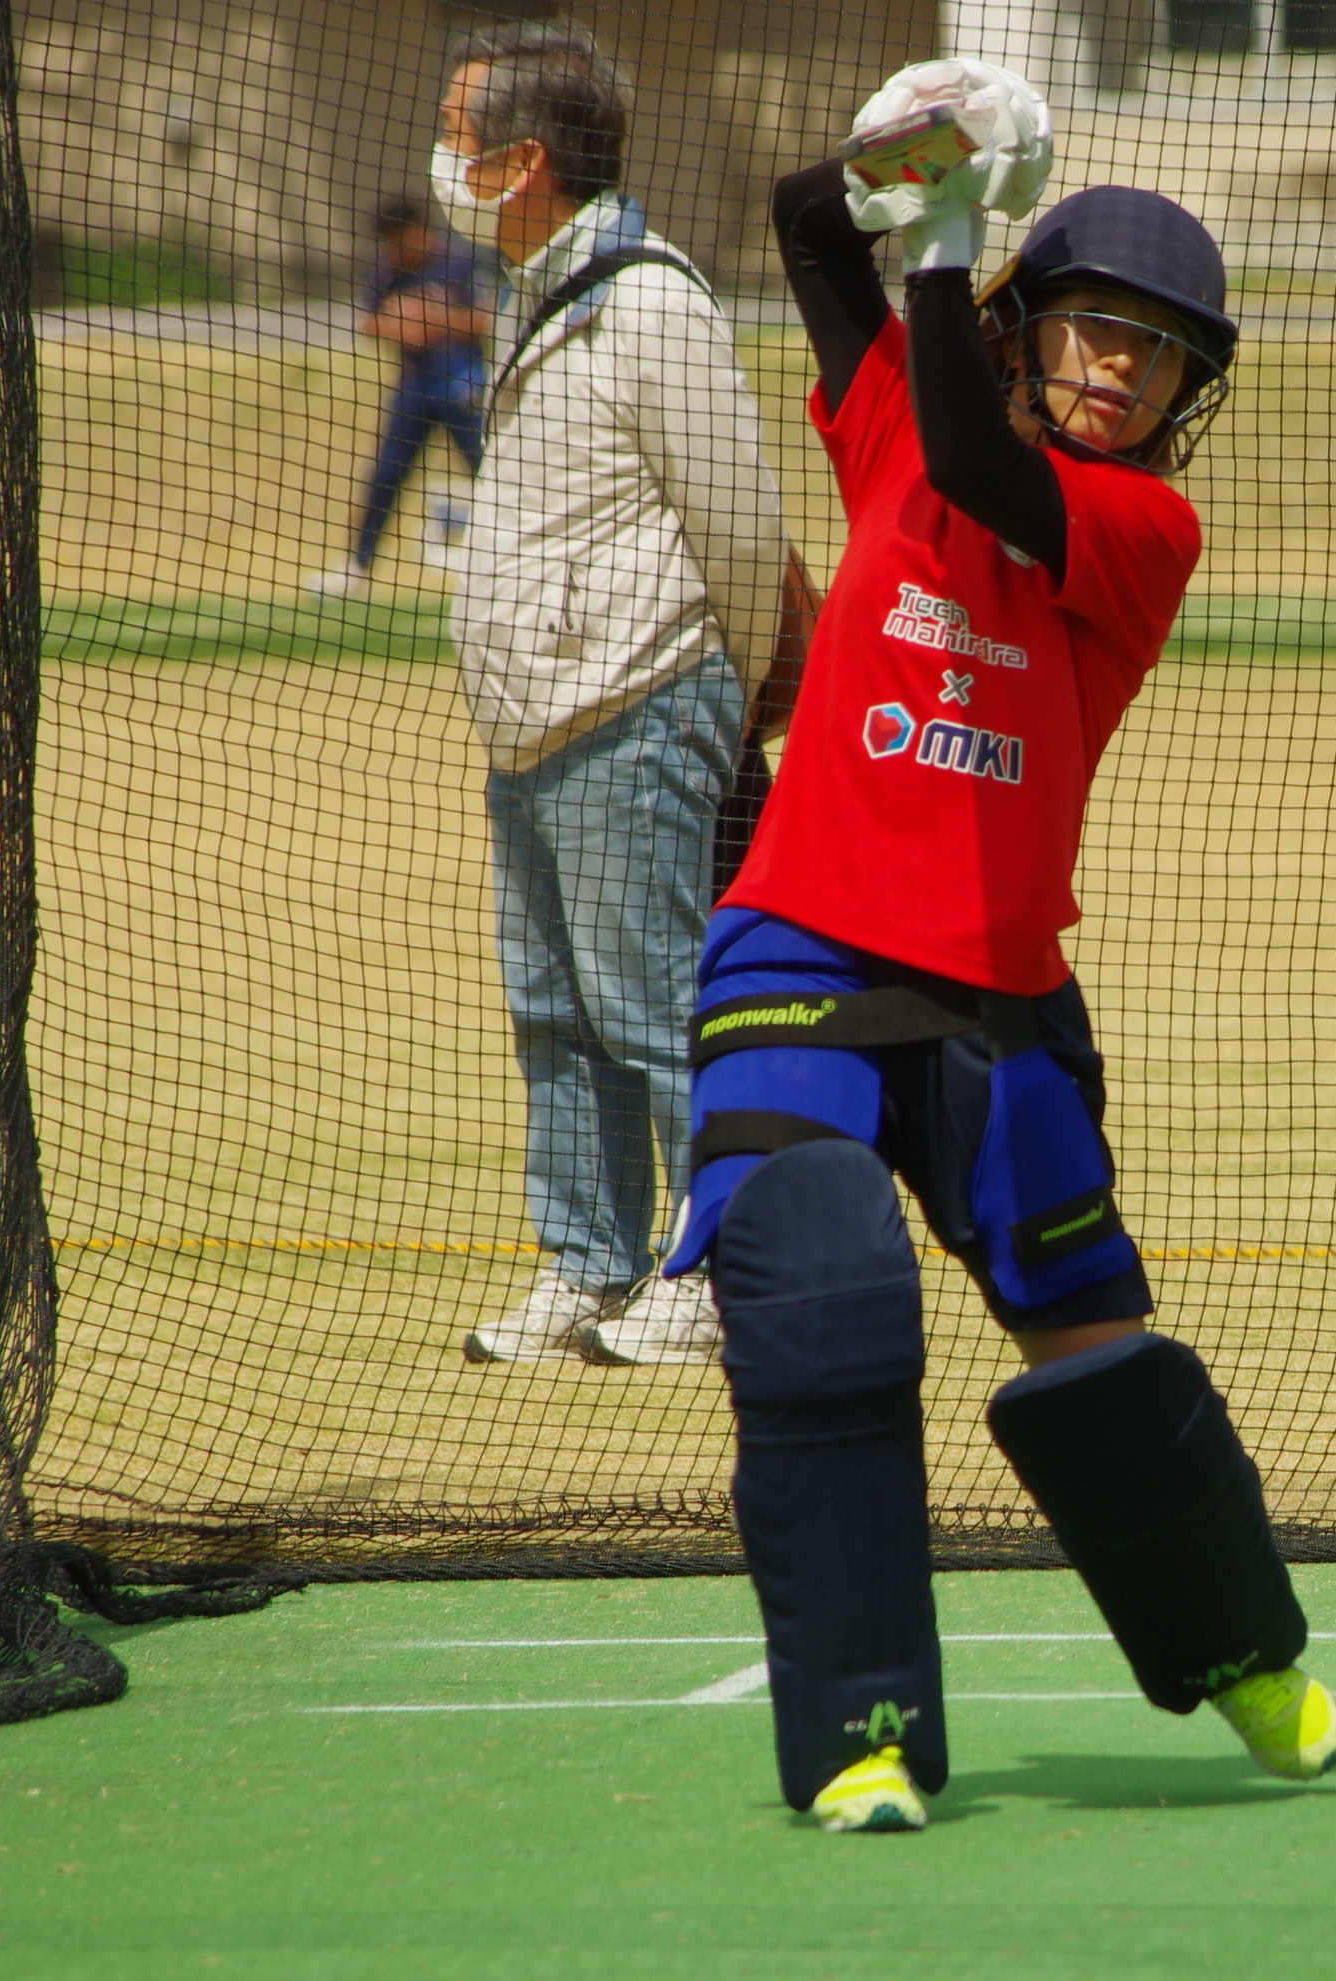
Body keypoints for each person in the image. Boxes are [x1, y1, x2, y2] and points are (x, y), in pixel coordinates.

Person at [663, 56, 1336, 1835]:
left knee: (1100, 1355)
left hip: (999, 1001)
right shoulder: (896, 396)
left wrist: (954, 239)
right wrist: (913, 139)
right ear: (1026, 318)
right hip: (800, 951)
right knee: (820, 1304)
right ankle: (864, 1734)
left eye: (1155, 354)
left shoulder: (1139, 526)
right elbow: (810, 228)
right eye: (1090, 332)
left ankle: (1244, 1653)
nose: (1116, 372)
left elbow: (977, 454)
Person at [431, 21, 795, 1369]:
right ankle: (587, 1267)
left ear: (525, 159)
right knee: (554, 1010)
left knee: (656, 1008)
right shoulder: (534, 286)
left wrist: (734, 690)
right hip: (534, 725)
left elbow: (745, 533)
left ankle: (715, 1271)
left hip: (637, 704)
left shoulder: (648, 300)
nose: (446, 157)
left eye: (461, 135)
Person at [306, 194, 489, 599]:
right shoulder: (388, 271)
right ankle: (358, 566)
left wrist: (436, 321)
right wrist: (398, 325)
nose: (395, 248)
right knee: (386, 475)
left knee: (491, 474)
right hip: (414, 386)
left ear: (419, 229)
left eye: (400, 238)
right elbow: (370, 321)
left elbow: (483, 318)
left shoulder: (459, 261)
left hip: (464, 385)